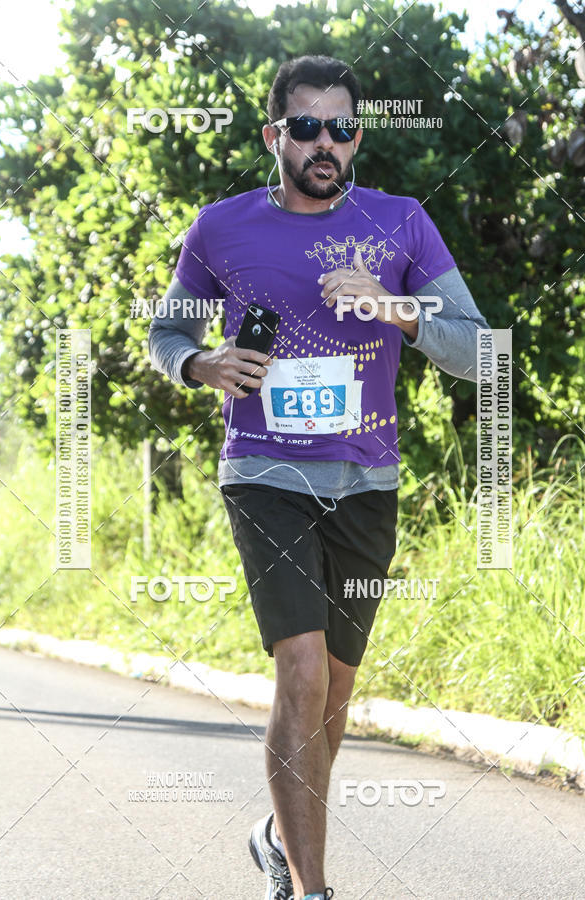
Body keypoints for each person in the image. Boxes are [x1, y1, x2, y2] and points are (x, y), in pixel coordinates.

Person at [149, 54, 490, 900]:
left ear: (359, 136)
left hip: (366, 481)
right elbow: (166, 331)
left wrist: (395, 307)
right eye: (305, 127)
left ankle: (274, 834)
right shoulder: (219, 228)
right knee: (299, 670)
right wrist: (199, 363)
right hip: (263, 471)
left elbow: (482, 356)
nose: (324, 143)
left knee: (334, 694)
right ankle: (311, 888)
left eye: (341, 127)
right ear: (275, 136)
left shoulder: (401, 222)